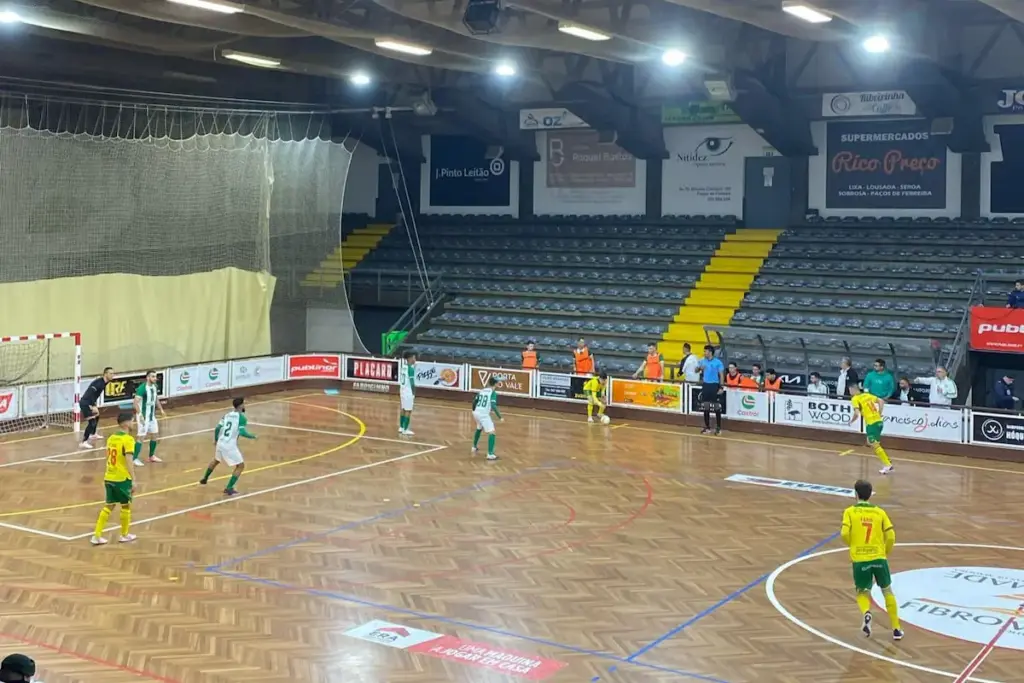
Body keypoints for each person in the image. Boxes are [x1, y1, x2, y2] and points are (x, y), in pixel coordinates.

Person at [841, 479, 903, 642]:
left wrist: (854, 545)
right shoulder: (880, 512)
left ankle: (866, 612)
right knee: (887, 591)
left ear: (855, 494)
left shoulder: (849, 512)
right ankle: (896, 628)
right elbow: (891, 536)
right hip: (879, 557)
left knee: (862, 592)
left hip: (860, 559)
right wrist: (885, 551)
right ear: (870, 495)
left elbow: (844, 534)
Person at [90, 411, 137, 546]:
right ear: (127, 423)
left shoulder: (111, 438)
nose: (133, 423)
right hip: (122, 478)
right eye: (132, 421)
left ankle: (97, 535)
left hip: (109, 476)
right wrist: (133, 479)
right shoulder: (128, 440)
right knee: (126, 505)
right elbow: (129, 460)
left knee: (109, 506)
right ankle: (124, 534)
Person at [200, 397, 257, 496]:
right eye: (244, 404)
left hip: (221, 442)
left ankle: (204, 479)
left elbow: (218, 428)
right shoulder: (242, 418)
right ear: (240, 405)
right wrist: (252, 436)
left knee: (216, 460)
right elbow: (242, 432)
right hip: (229, 445)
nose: (245, 405)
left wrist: (216, 440)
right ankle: (229, 488)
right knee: (240, 466)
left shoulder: (226, 415)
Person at [850, 383, 894, 475]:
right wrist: (879, 413)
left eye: (850, 390)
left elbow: (856, 413)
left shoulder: (855, 399)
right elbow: (881, 401)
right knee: (871, 442)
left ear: (853, 389)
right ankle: (886, 459)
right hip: (879, 422)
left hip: (871, 424)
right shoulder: (867, 395)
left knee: (874, 445)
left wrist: (851, 421)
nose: (850, 392)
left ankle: (887, 465)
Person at [132, 370, 166, 467]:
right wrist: (140, 415)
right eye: (152, 376)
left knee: (155, 435)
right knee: (141, 437)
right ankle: (134, 458)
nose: (155, 378)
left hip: (152, 417)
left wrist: (161, 410)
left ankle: (151, 456)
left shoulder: (154, 387)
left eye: (155, 376)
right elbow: (135, 403)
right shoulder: (142, 388)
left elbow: (156, 399)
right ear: (147, 377)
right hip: (143, 417)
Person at [78, 366, 114, 450]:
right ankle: (83, 442)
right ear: (105, 374)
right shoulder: (99, 383)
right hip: (86, 403)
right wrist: (91, 405)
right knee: (92, 423)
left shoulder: (105, 382)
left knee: (97, 415)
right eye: (111, 373)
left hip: (90, 402)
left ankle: (93, 434)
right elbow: (90, 393)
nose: (113, 375)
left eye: (113, 373)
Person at [471, 376, 503, 461]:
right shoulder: (493, 393)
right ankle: (490, 454)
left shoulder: (482, 390)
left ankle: (474, 447)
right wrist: (500, 417)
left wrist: (474, 411)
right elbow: (493, 405)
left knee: (479, 428)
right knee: (492, 432)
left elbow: (474, 402)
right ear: (495, 383)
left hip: (476, 412)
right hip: (483, 414)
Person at [698, 344, 725, 435]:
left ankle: (718, 428)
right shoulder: (702, 361)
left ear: (710, 352)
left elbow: (721, 374)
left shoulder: (718, 362)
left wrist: (721, 386)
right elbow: (695, 370)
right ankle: (707, 427)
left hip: (714, 385)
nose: (704, 353)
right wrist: (699, 368)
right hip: (706, 385)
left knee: (716, 406)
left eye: (705, 351)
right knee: (706, 405)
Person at [398, 351, 416, 436]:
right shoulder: (410, 369)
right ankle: (405, 429)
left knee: (403, 409)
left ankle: (401, 427)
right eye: (414, 357)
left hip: (402, 390)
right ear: (410, 358)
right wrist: (414, 393)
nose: (415, 359)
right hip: (408, 391)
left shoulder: (403, 367)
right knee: (408, 410)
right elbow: (412, 383)